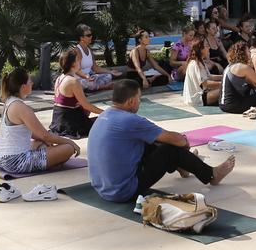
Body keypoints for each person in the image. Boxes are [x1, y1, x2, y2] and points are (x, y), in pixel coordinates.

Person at [88, 80, 236, 202]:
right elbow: (176, 140)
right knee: (170, 149)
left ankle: (184, 167)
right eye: (139, 99)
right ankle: (211, 174)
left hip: (102, 188)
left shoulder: (104, 115)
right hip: (123, 191)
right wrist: (184, 142)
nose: (139, 102)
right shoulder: (130, 120)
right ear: (131, 101)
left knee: (151, 141)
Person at [0, 69, 80, 174]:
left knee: (40, 142)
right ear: (23, 87)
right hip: (16, 162)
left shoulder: (8, 102)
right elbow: (45, 135)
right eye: (29, 81)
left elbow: (37, 135)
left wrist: (47, 140)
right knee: (68, 148)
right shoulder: (21, 107)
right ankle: (53, 162)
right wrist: (70, 142)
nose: (32, 83)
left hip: (2, 159)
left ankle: (50, 160)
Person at [49, 49, 104, 139]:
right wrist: (105, 113)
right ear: (73, 64)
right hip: (70, 124)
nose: (80, 62)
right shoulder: (73, 81)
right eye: (78, 60)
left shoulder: (60, 78)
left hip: (58, 121)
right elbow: (86, 105)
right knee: (104, 121)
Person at [73, 24, 114, 92]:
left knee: (108, 76)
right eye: (88, 35)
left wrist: (110, 71)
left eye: (91, 35)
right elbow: (77, 71)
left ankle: (94, 87)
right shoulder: (77, 51)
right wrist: (86, 77)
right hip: (80, 79)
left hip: (89, 77)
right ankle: (103, 87)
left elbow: (95, 68)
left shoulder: (89, 50)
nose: (91, 37)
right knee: (87, 83)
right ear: (81, 38)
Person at [183, 38, 222, 107]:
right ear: (201, 50)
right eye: (206, 46)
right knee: (227, 90)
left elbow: (209, 76)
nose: (209, 48)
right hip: (197, 99)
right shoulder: (196, 64)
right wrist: (224, 84)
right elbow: (205, 84)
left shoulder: (200, 62)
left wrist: (225, 76)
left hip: (200, 96)